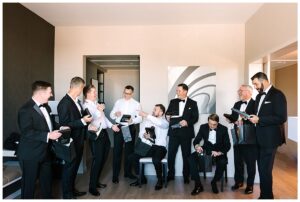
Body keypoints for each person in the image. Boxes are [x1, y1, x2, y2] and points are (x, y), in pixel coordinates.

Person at [17, 81, 62, 199]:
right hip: (30, 154)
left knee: (47, 182)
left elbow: (50, 123)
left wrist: (60, 127)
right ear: (41, 93)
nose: (51, 95)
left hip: (45, 152)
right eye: (49, 92)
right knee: (29, 186)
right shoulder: (25, 109)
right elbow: (27, 132)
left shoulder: (46, 106)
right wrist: (48, 135)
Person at [249, 72, 287, 199]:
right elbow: (256, 114)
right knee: (262, 169)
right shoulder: (259, 96)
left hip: (270, 139)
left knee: (265, 170)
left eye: (255, 83)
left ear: (263, 80)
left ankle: (267, 197)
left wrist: (260, 120)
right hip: (258, 138)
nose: (254, 86)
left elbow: (281, 118)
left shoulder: (278, 95)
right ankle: (264, 195)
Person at [57, 77, 92, 199]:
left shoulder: (76, 101)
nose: (82, 90)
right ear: (77, 87)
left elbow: (77, 118)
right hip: (71, 141)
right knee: (69, 168)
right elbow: (64, 125)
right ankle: (67, 195)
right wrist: (82, 121)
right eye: (82, 88)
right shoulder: (64, 103)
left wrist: (85, 118)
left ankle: (72, 189)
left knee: (75, 167)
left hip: (79, 139)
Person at [82, 85, 120, 196]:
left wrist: (112, 126)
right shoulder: (85, 106)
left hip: (104, 134)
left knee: (103, 159)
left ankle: (96, 182)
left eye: (95, 91)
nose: (95, 94)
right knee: (97, 160)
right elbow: (92, 119)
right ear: (87, 93)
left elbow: (103, 118)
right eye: (93, 92)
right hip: (95, 135)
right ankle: (92, 187)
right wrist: (100, 110)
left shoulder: (96, 104)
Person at [126, 104, 169, 190]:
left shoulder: (165, 122)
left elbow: (159, 123)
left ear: (161, 112)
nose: (153, 111)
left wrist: (146, 115)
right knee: (131, 157)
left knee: (156, 160)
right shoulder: (148, 121)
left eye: (155, 109)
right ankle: (142, 179)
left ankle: (160, 180)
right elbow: (141, 133)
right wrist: (145, 136)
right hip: (150, 146)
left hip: (160, 148)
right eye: (153, 109)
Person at [188, 114, 231, 195]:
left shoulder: (224, 129)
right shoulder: (203, 127)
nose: (211, 126)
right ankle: (198, 185)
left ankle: (214, 182)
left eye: (214, 124)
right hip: (206, 150)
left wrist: (219, 152)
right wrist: (197, 146)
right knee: (191, 158)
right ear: (208, 121)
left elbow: (227, 145)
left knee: (222, 162)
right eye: (210, 123)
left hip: (218, 151)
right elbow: (196, 140)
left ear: (218, 123)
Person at [226, 85, 257, 194]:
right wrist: (231, 119)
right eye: (239, 90)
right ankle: (238, 182)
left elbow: (256, 119)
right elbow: (234, 117)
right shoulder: (237, 104)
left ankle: (250, 185)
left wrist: (244, 121)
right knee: (237, 161)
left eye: (241, 90)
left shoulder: (256, 104)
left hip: (250, 137)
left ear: (249, 92)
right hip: (237, 135)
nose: (239, 92)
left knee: (250, 162)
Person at [166, 83, 199, 184]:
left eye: (179, 90)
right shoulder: (173, 101)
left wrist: (187, 122)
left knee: (186, 155)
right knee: (171, 154)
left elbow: (195, 117)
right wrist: (167, 116)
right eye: (177, 90)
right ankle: (170, 175)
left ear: (185, 91)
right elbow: (168, 113)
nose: (177, 92)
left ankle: (186, 176)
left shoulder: (193, 103)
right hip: (174, 132)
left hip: (186, 133)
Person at [110, 85, 142, 183]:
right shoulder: (118, 102)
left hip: (129, 128)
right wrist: (115, 114)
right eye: (125, 93)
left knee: (128, 152)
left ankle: (127, 173)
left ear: (132, 93)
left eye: (128, 93)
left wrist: (133, 120)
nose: (126, 95)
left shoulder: (136, 104)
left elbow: (140, 118)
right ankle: (115, 175)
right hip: (119, 128)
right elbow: (111, 114)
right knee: (117, 152)